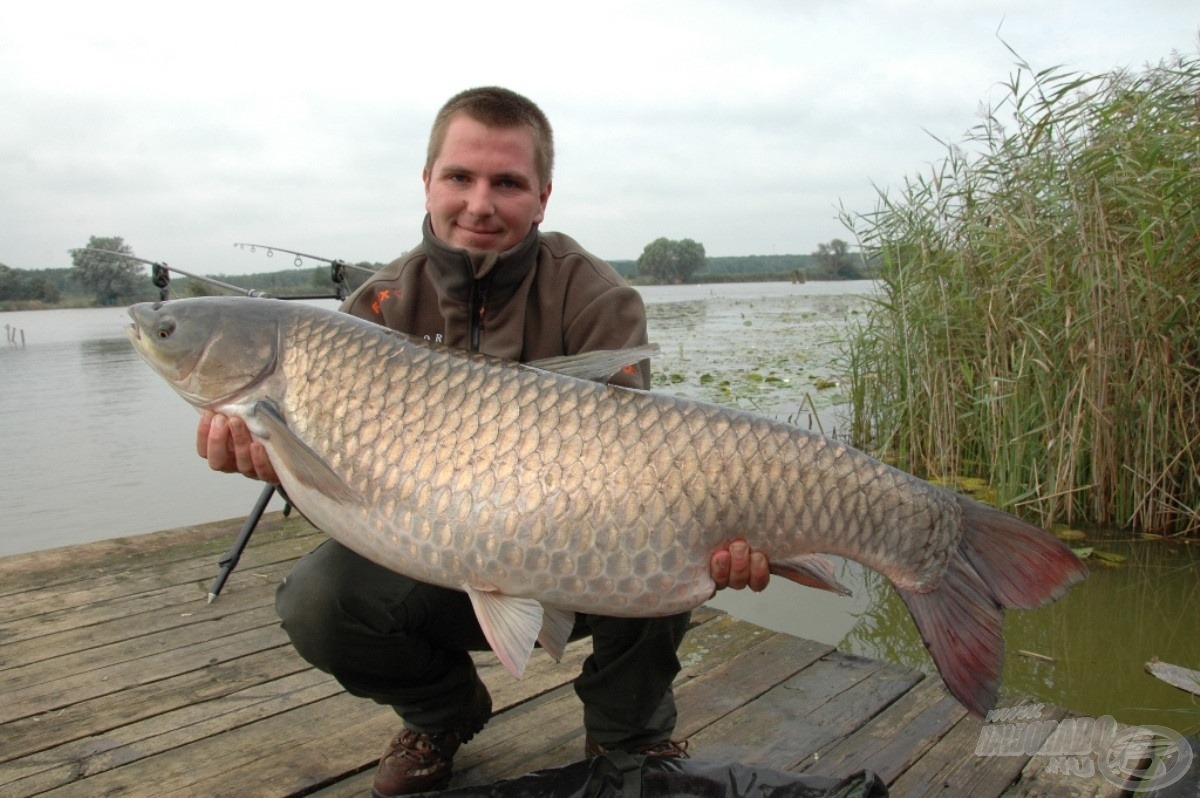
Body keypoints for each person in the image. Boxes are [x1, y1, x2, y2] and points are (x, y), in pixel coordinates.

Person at [198, 86, 770, 797]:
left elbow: (638, 473)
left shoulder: (597, 297)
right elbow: (341, 488)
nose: (480, 203)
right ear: (428, 182)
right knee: (317, 599)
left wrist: (733, 536)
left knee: (673, 531)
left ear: (543, 196)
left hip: (583, 540)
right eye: (459, 178)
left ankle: (631, 735)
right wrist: (278, 464)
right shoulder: (374, 310)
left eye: (507, 183)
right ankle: (443, 714)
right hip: (431, 547)